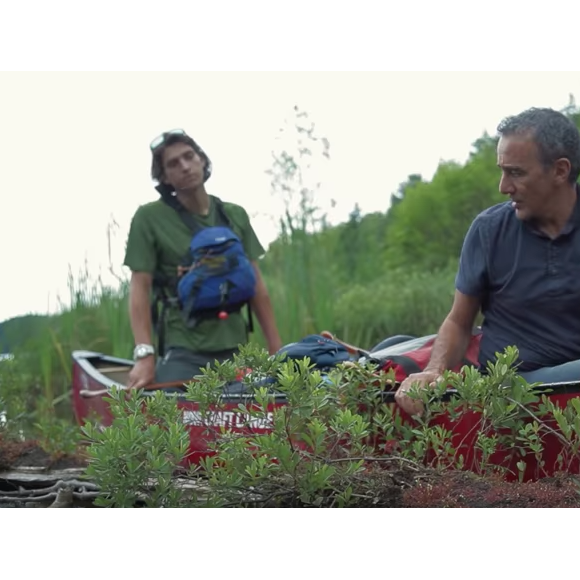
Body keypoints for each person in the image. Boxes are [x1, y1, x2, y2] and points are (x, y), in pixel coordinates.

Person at [395, 107, 580, 416]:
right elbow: (458, 321)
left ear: (560, 171)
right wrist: (434, 369)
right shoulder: (489, 230)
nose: (503, 186)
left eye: (516, 172)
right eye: (502, 170)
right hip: (507, 391)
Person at [123, 129, 283, 391]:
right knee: (162, 415)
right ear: (164, 176)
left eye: (189, 156)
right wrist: (145, 355)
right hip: (185, 350)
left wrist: (277, 349)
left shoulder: (235, 215)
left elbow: (257, 287)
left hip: (237, 349)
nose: (185, 166)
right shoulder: (149, 218)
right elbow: (140, 287)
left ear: (202, 160)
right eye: (173, 163)